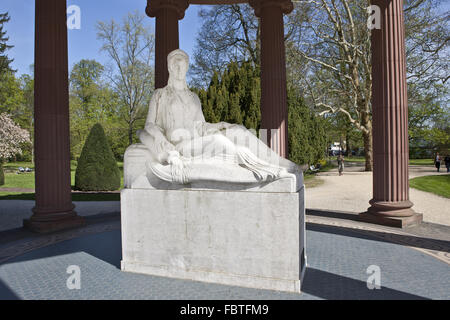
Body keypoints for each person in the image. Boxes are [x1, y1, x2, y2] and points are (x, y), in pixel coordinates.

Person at [137, 49, 299, 184]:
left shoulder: (193, 97)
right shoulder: (160, 95)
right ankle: (265, 169)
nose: (179, 70)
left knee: (239, 131)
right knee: (219, 141)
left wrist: (220, 125)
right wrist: (162, 142)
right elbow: (149, 125)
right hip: (181, 145)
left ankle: (283, 163)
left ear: (187, 68)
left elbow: (201, 125)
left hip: (198, 138)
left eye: (183, 66)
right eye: (175, 66)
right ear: (169, 68)